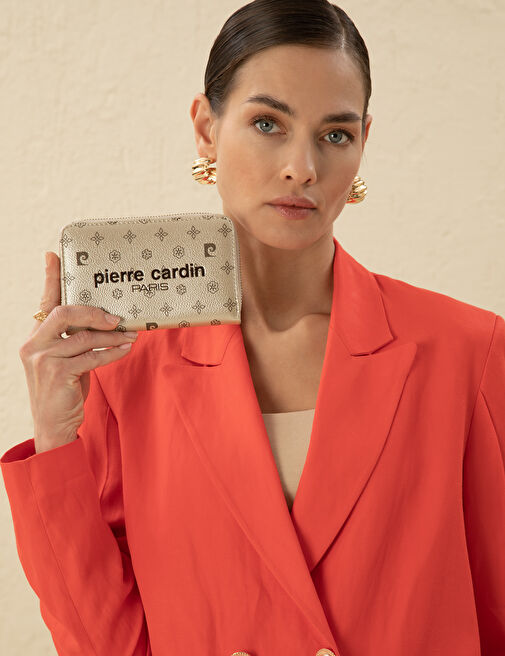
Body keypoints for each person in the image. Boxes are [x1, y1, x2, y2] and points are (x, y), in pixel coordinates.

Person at [2, 1, 504, 654]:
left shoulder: (468, 353)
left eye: (335, 134)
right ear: (206, 130)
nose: (302, 167)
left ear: (363, 142)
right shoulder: (122, 366)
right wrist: (55, 439)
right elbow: (104, 643)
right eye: (268, 123)